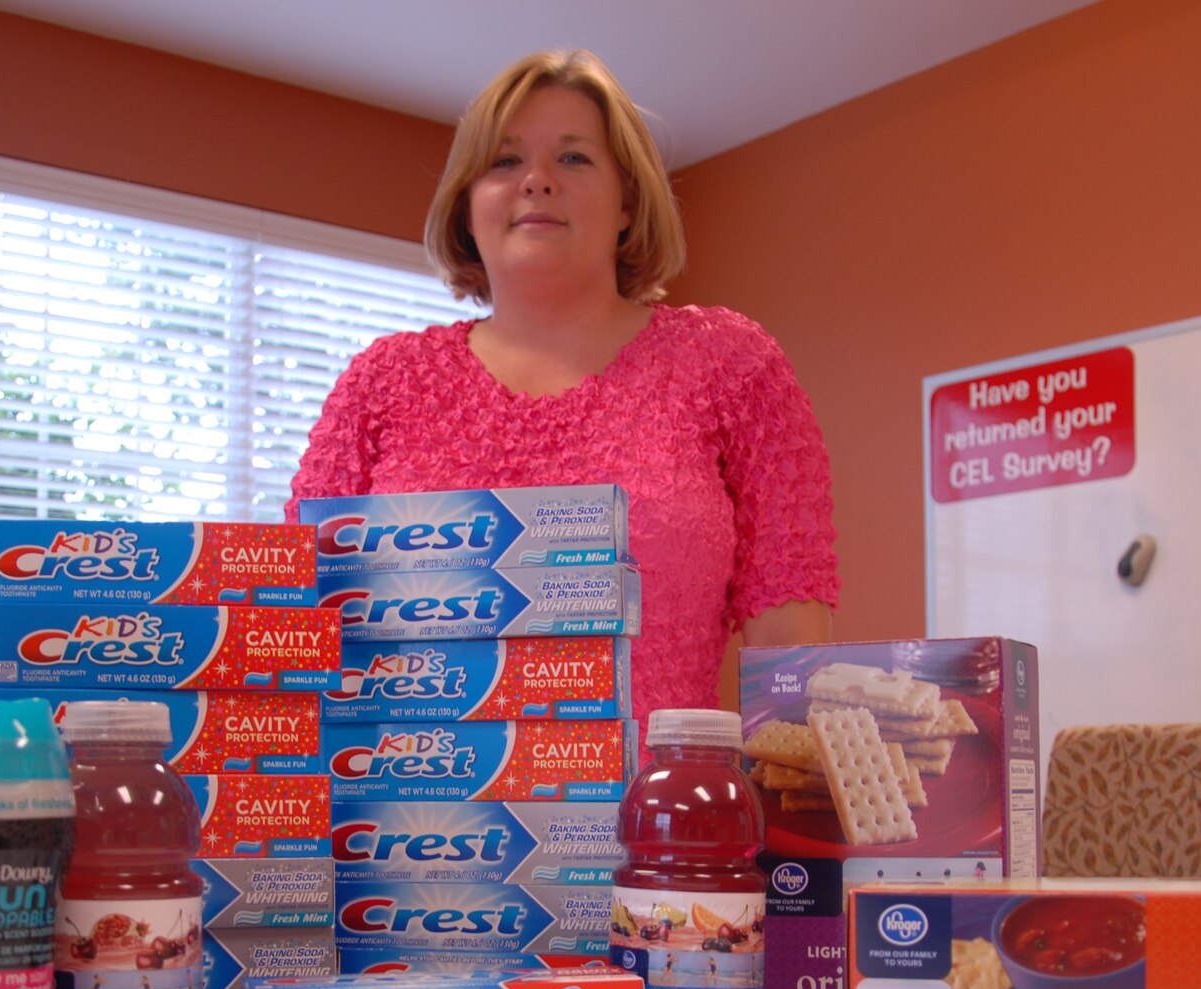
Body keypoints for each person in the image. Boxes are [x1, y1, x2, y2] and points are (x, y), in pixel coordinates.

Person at [287, 50, 838, 715]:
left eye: (573, 158)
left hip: (658, 814)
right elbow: (299, 622)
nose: (536, 181)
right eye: (504, 160)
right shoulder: (382, 381)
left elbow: (791, 663)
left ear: (629, 201)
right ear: (466, 204)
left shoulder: (731, 364)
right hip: (416, 803)